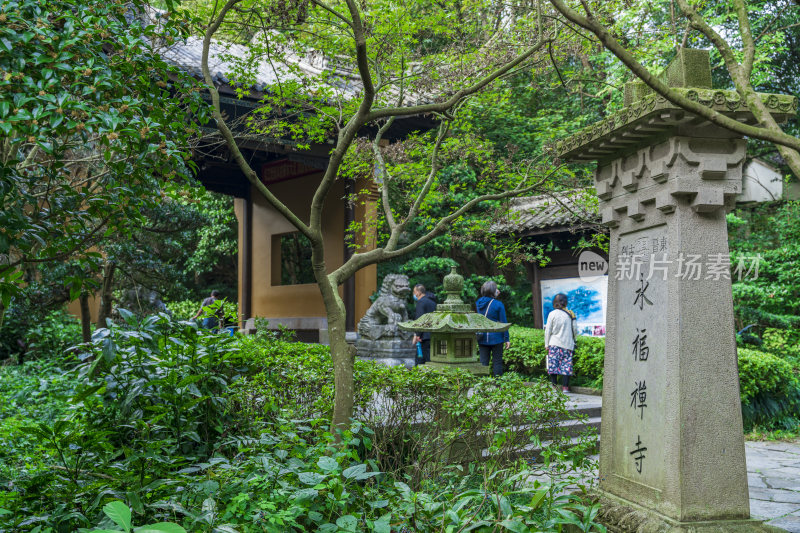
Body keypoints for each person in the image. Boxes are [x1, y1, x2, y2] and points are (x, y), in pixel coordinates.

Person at [545, 293, 578, 393]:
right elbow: (575, 329)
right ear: (565, 302)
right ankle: (565, 388)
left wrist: (546, 344)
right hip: (568, 344)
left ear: (555, 302)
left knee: (553, 366)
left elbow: (548, 331)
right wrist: (574, 340)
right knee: (566, 366)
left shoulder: (552, 314)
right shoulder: (570, 314)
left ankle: (554, 386)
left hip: (554, 343)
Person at [475, 281, 510, 377]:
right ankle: (498, 386)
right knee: (497, 362)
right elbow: (503, 323)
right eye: (496, 289)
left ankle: (483, 385)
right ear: (492, 291)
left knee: (483, 362)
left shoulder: (478, 303)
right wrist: (506, 338)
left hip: (482, 337)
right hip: (496, 337)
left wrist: (493, 296)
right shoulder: (498, 304)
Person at [412, 284, 437, 364]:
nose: (414, 294)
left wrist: (417, 335)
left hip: (423, 337)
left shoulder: (421, 302)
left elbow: (420, 319)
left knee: (420, 361)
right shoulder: (432, 302)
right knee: (430, 360)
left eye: (414, 292)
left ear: (419, 292)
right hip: (433, 335)